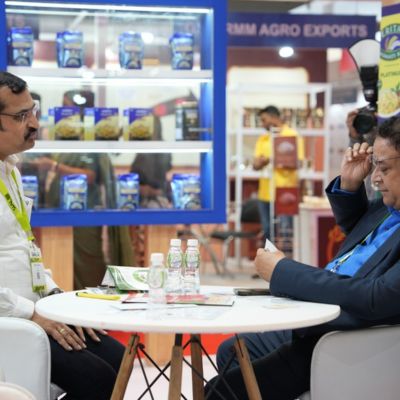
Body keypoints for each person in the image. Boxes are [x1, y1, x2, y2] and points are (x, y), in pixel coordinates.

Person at [206, 116, 400, 400]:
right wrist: (348, 185)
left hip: (346, 339)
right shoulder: (388, 209)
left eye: (383, 167)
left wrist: (283, 271)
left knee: (218, 393)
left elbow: (375, 297)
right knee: (232, 350)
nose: (375, 178)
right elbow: (364, 236)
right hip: (322, 324)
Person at [0, 71, 124, 400]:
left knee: (117, 358)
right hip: (11, 321)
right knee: (95, 378)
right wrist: (34, 314)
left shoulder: (9, 169)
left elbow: (23, 250)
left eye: (34, 111)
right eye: (21, 116)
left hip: (35, 310)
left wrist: (57, 301)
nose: (35, 124)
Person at [252, 105, 303, 255]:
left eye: (264, 120)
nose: (262, 124)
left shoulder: (292, 135)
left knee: (285, 231)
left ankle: (286, 265)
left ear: (274, 117)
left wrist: (275, 159)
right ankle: (268, 264)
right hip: (265, 193)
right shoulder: (263, 138)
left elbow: (297, 162)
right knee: (268, 230)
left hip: (285, 191)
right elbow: (255, 164)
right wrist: (263, 161)